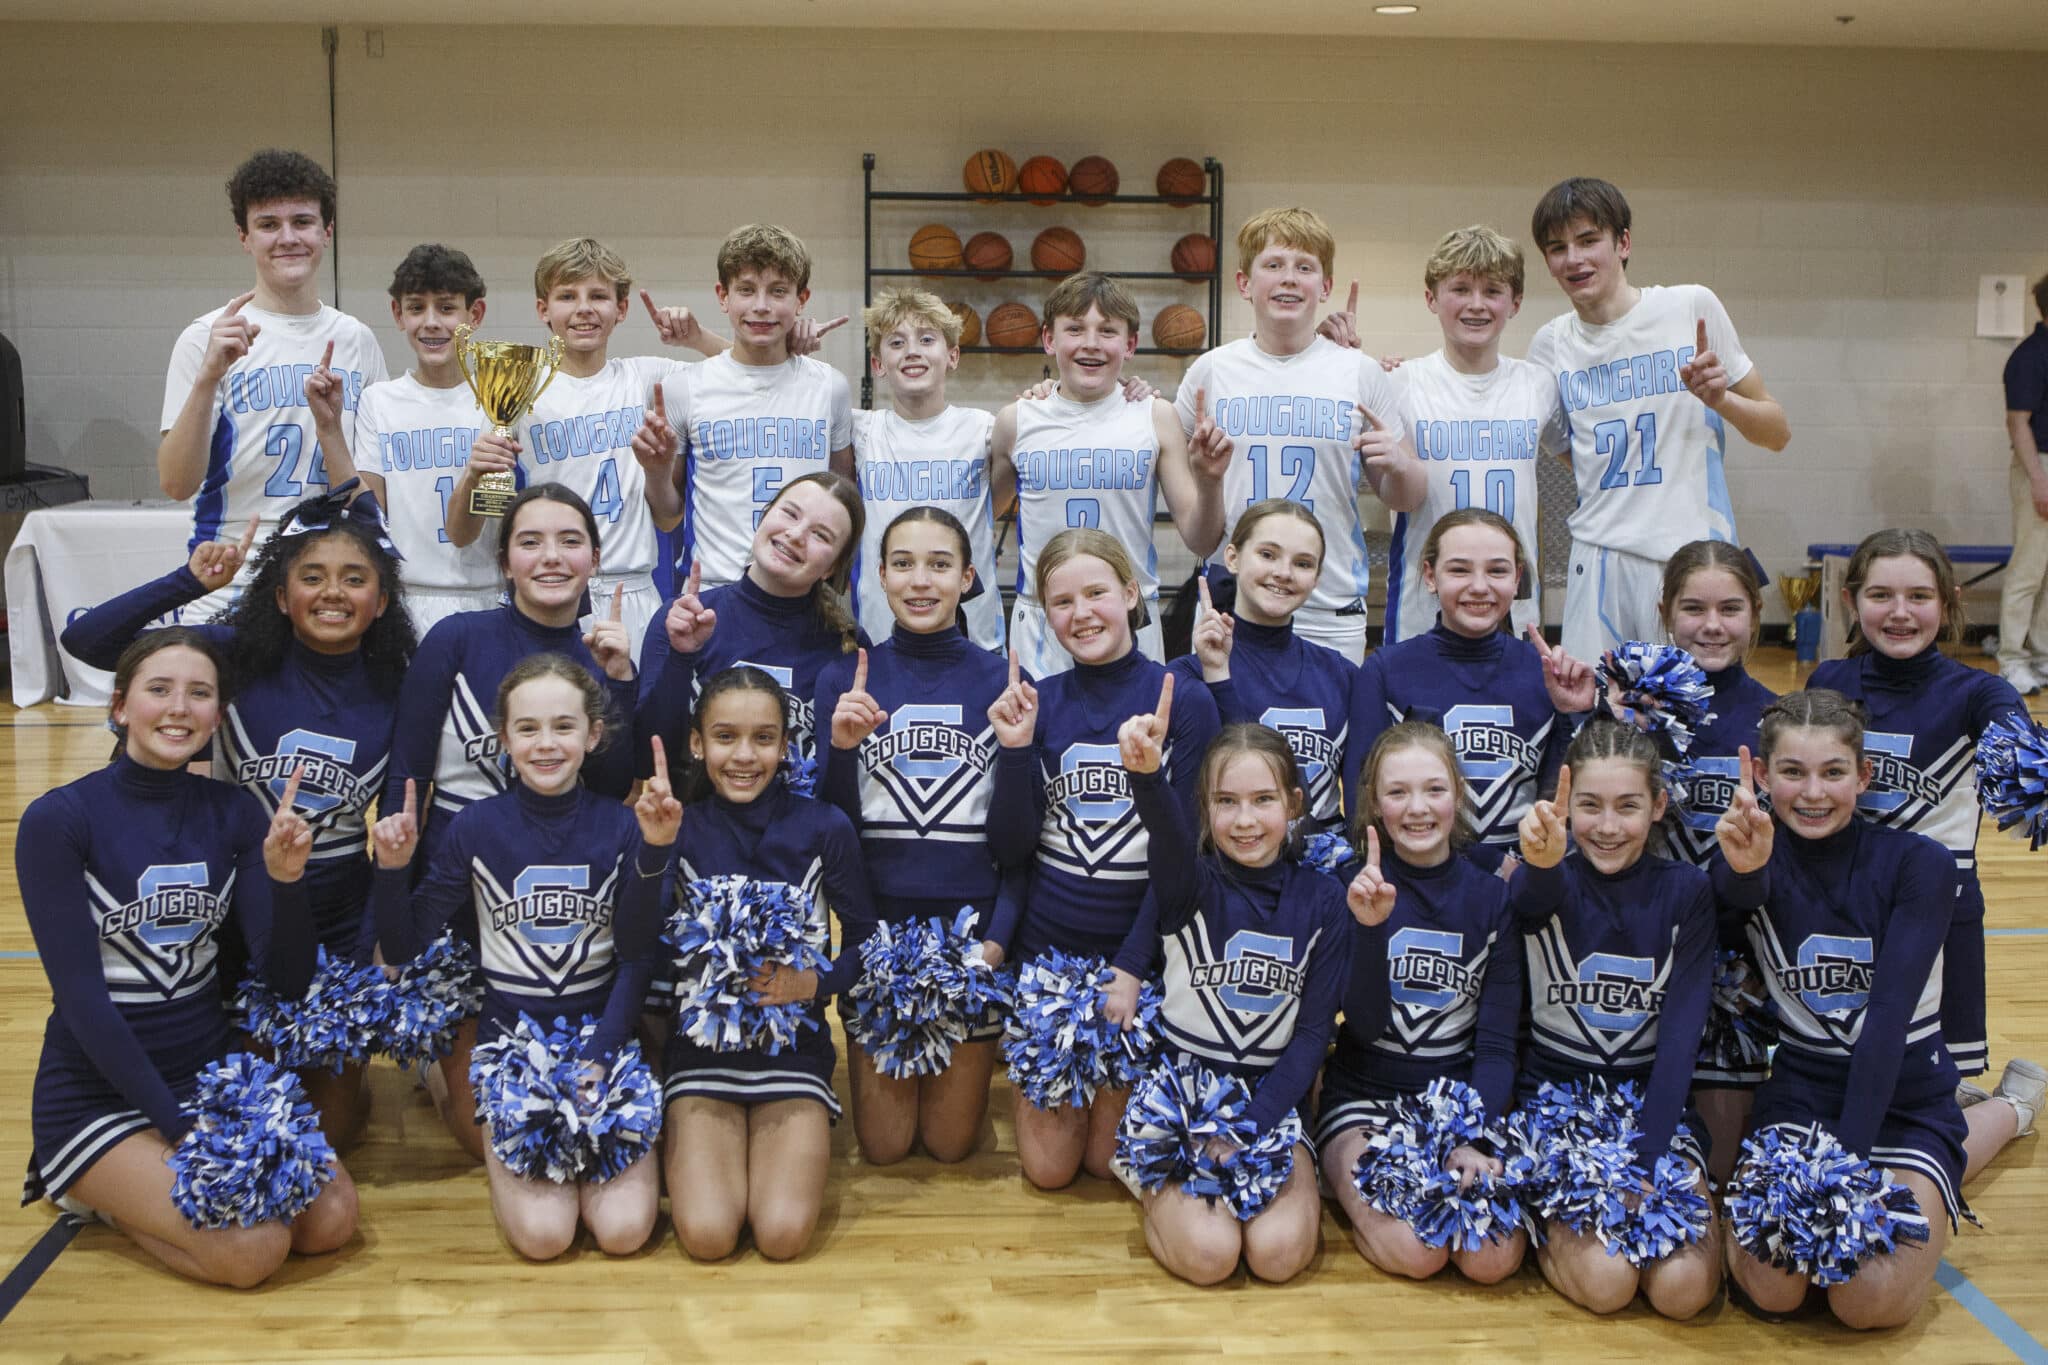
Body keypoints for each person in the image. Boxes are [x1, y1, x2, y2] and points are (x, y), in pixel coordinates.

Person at [62, 486, 413, 1144]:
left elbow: (392, 836)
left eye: (353, 578)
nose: (332, 592)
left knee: (328, 1132)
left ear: (382, 599)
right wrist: (186, 581)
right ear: (280, 595)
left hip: (333, 922)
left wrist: (367, 960)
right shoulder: (232, 656)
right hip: (227, 914)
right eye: (311, 576)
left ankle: (351, 1084)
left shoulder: (398, 684)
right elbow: (86, 640)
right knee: (249, 1110)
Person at [19, 630, 357, 1285]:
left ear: (217, 716)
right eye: (159, 689)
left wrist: (285, 880)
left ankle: (150, 1189)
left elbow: (286, 980)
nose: (179, 707)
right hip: (100, 1091)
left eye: (199, 693)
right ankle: (94, 1190)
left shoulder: (234, 811)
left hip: (209, 1077)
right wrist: (178, 1130)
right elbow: (83, 1001)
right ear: (119, 706)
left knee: (331, 1219)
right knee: (252, 1250)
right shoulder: (58, 820)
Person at [1713, 691, 2034, 1328]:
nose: (1813, 792)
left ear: (1864, 776)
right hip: (1801, 1098)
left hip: (1906, 1101)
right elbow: (1720, 939)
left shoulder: (1921, 865)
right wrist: (1745, 874)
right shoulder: (1744, 852)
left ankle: (2009, 1108)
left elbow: (1887, 1018)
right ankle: (1996, 1117)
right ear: (1760, 775)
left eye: (1834, 772)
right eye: (1792, 772)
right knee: (1773, 1291)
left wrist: (1845, 1168)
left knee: (1868, 1301)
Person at [370, 655, 668, 1260]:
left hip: (603, 1042)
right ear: (502, 739)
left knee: (624, 1231)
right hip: (513, 1051)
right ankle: (439, 1075)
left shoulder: (624, 826)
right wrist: (392, 870)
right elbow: (402, 949)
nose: (546, 744)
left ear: (593, 734)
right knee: (544, 1238)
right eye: (527, 729)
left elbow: (637, 960)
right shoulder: (476, 828)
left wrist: (601, 1053)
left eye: (563, 726)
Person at [382, 484, 640, 1158]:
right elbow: (405, 776)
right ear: (505, 561)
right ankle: (437, 1063)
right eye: (530, 541)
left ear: (595, 556)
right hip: (459, 905)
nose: (550, 556)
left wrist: (623, 683)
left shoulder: (604, 649)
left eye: (569, 540)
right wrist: (384, 922)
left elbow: (613, 787)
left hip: (564, 908)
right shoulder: (456, 640)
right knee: (484, 1136)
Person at [986, 528, 1221, 1188]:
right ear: (1043, 614)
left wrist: (1132, 963)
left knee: (1103, 1160)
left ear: (1131, 593)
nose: (1081, 613)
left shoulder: (1184, 699)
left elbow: (1189, 854)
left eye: (1096, 592)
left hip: (1139, 960)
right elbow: (1011, 848)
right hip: (1049, 957)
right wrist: (1014, 748)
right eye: (1061, 601)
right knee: (1049, 1169)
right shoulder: (1042, 701)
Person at [649, 666, 876, 1261]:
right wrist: (650, 851)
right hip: (701, 1057)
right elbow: (635, 943)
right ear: (697, 744)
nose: (744, 756)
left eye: (764, 738)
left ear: (785, 744)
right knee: (706, 1236)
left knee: (781, 1236)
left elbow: (865, 942)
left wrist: (815, 981)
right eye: (725, 737)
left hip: (792, 1054)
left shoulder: (825, 827)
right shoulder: (677, 827)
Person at [1809, 530, 2043, 1108]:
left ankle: (2013, 1109)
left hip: (1941, 914)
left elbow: (2025, 763)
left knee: (1933, 1102)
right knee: (1843, 1080)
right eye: (1881, 595)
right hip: (1841, 908)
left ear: (1948, 601)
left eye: (1919, 596)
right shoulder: (1829, 683)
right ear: (1852, 600)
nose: (1900, 613)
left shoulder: (1980, 694)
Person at [1115, 723, 1350, 1285]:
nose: (1245, 821)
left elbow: (1313, 1036)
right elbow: (1168, 839)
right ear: (1205, 808)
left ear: (1294, 804)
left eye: (1263, 800)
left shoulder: (1325, 901)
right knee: (1210, 1257)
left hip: (1271, 1105)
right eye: (1226, 802)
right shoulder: (1186, 885)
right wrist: (1148, 777)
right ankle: (1145, 1175)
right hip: (1183, 1108)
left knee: (1278, 1256)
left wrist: (1251, 1124)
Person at [815, 507, 1015, 1164]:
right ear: (878, 575)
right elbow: (831, 832)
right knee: (884, 1144)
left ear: (968, 576)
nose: (920, 580)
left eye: (938, 564)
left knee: (953, 1144)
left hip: (970, 941)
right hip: (880, 936)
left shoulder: (1004, 680)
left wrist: (995, 942)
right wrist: (841, 752)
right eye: (903, 563)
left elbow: (1022, 842)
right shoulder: (843, 679)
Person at [1524, 176, 1790, 663]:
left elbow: (1777, 431)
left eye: (1588, 241)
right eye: (1558, 248)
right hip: (1599, 557)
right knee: (1599, 722)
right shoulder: (1550, 343)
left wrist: (1722, 402)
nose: (1574, 259)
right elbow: (1571, 452)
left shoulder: (1690, 307)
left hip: (1691, 558)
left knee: (1691, 719)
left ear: (1622, 242)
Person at [1511, 719, 1720, 1318]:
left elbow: (1681, 1039)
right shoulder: (1542, 880)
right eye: (1590, 806)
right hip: (1555, 1111)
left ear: (1658, 805)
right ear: (1565, 803)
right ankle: (1540, 1229)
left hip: (1652, 1110)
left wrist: (1650, 1156)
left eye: (1627, 806)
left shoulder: (1688, 891)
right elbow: (1528, 902)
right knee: (1608, 1285)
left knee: (1683, 1293)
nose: (1607, 827)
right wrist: (1542, 864)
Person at [1315, 722, 1526, 1286]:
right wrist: (1369, 930)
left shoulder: (1494, 899)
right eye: (1397, 792)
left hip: (1458, 1104)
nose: (1418, 808)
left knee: (1493, 1259)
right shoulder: (1345, 887)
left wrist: (1476, 1134)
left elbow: (1499, 1042)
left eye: (1434, 789)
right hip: (1363, 1098)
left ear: (1458, 794)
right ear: (1373, 806)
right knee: (1418, 1251)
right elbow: (1361, 1024)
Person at [443, 237, 728, 645]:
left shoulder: (648, 378)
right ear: (543, 309)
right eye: (567, 296)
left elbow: (749, 368)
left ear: (621, 308)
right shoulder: (515, 389)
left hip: (632, 589)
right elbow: (462, 534)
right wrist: (473, 476)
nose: (583, 308)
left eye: (598, 295)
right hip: (551, 590)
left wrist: (697, 338)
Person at [1171, 206, 1425, 663]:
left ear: (1325, 287)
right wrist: (1207, 481)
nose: (1289, 279)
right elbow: (1199, 539)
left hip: (1329, 606)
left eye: (1304, 268)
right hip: (1234, 609)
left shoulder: (1360, 372)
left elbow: (1406, 497)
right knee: (1231, 734)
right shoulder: (1210, 372)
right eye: (1273, 265)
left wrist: (1399, 466)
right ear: (1244, 283)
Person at [158, 149, 387, 621]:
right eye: (268, 224)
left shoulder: (357, 340)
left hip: (330, 585)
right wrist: (207, 378)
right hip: (229, 581)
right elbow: (176, 483)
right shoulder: (206, 337)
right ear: (244, 237)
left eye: (302, 221)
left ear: (327, 232)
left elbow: (376, 490)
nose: (287, 238)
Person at [992, 273, 1232, 675]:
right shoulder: (1016, 421)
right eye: (1074, 329)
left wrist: (1210, 482)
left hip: (1132, 613)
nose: (1090, 343)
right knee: (1039, 736)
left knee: (1139, 737)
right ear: (1049, 340)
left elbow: (1202, 538)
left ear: (1130, 344)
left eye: (1107, 331)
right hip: (1043, 618)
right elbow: (982, 518)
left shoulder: (1156, 415)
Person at [1352, 509, 1588, 870]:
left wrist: (1575, 711)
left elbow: (1561, 803)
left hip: (1525, 887)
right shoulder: (1384, 671)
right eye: (1459, 570)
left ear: (1517, 577)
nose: (1479, 586)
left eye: (1497, 570)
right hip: (1421, 884)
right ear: (1430, 576)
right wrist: (1487, 863)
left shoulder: (1545, 673)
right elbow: (1366, 805)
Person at [1652, 541, 1779, 1180]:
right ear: (1665, 613)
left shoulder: (1776, 721)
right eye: (1693, 607)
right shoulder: (1633, 713)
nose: (1711, 625)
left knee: (1721, 1176)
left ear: (1755, 616)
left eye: (1730, 608)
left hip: (1735, 967)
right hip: (1643, 957)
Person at [654, 224, 854, 595]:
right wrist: (655, 469)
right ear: (722, 295)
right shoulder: (685, 388)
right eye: (746, 289)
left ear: (801, 299)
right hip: (714, 589)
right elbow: (667, 517)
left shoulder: (830, 387)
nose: (761, 306)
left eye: (778, 291)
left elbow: (843, 499)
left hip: (803, 594)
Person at [1383, 225, 1557, 643]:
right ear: (1431, 298)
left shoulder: (1539, 384)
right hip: (1423, 602)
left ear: (1515, 302)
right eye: (1460, 289)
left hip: (1511, 602)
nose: (1476, 305)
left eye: (1493, 291)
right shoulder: (1399, 382)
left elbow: (1580, 451)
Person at [638, 470, 866, 769]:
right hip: (696, 813)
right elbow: (646, 761)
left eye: (820, 535)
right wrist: (680, 657)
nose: (796, 535)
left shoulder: (850, 646)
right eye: (790, 514)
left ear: (832, 567)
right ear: (764, 516)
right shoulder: (685, 619)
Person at [1168, 499, 1359, 831]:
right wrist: (1218, 676)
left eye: (1302, 563)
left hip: (1322, 872)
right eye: (1267, 555)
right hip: (1230, 866)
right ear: (1233, 557)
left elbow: (1360, 800)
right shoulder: (1185, 675)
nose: (1283, 573)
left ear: (1317, 578)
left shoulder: (1342, 675)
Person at [346, 243, 502, 633]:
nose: (431, 322)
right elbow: (370, 513)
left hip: (485, 592)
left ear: (475, 313)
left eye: (447, 308)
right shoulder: (378, 401)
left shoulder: (500, 402)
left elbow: (491, 511)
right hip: (404, 596)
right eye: (416, 308)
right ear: (398, 314)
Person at [849, 289, 1005, 651]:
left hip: (972, 635)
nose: (912, 351)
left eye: (927, 339)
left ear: (952, 355)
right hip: (881, 633)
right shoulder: (859, 431)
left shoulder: (984, 429)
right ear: (878, 364)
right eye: (897, 342)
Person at [1997, 276, 2048, 695]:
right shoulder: (2030, 356)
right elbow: (2018, 423)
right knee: (2028, 568)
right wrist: (2039, 481)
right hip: (2041, 465)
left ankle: (2042, 655)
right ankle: (2012, 658)